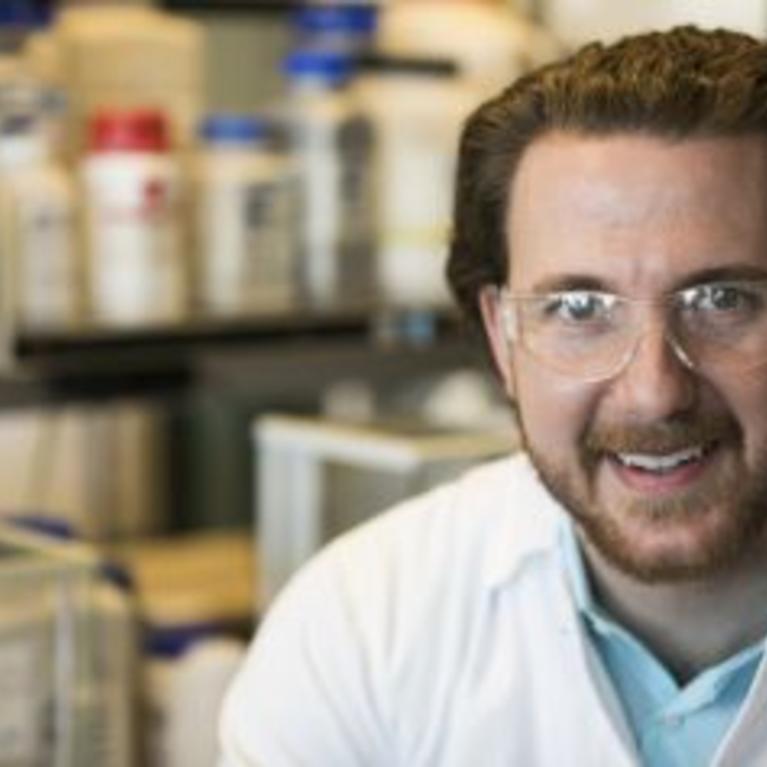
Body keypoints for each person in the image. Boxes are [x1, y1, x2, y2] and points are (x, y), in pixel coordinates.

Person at [219, 26, 767, 766]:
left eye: (723, 300)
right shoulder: (360, 631)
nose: (653, 393)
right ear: (502, 336)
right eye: (578, 308)